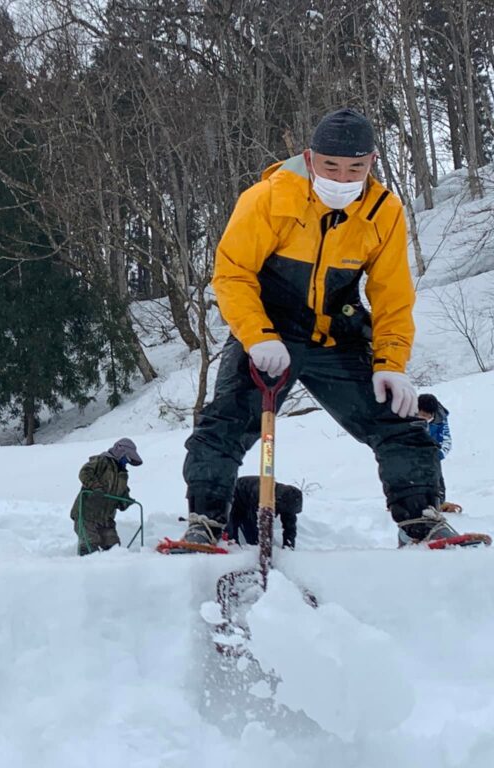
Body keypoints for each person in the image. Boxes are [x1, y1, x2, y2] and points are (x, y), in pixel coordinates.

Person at [173, 107, 466, 552]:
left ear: (371, 163)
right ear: (310, 159)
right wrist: (257, 336)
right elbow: (231, 274)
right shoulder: (268, 199)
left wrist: (391, 363)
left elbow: (392, 294)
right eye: (331, 166)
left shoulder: (383, 211)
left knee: (396, 419)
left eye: (355, 168)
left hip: (338, 333)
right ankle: (206, 521)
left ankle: (421, 521)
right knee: (226, 424)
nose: (343, 178)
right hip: (271, 331)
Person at [70, 438, 143, 556]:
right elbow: (84, 472)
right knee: (90, 545)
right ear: (121, 452)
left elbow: (122, 492)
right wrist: (95, 487)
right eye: (127, 458)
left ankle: (115, 572)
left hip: (106, 519)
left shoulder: (123, 475)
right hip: (87, 515)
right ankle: (85, 570)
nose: (127, 462)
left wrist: (125, 501)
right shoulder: (101, 461)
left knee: (114, 548)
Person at [225, 477, 302, 549]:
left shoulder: (289, 503)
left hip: (251, 499)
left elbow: (290, 528)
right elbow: (255, 523)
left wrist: (288, 547)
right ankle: (234, 553)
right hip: (236, 496)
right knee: (234, 531)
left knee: (254, 538)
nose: (289, 514)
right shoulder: (263, 495)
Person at [417, 393, 457, 511]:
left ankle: (439, 501)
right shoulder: (408, 416)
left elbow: (446, 440)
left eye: (427, 416)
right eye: (421, 414)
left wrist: (439, 454)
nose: (424, 418)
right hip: (412, 453)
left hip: (432, 453)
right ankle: (404, 501)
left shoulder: (440, 419)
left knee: (435, 477)